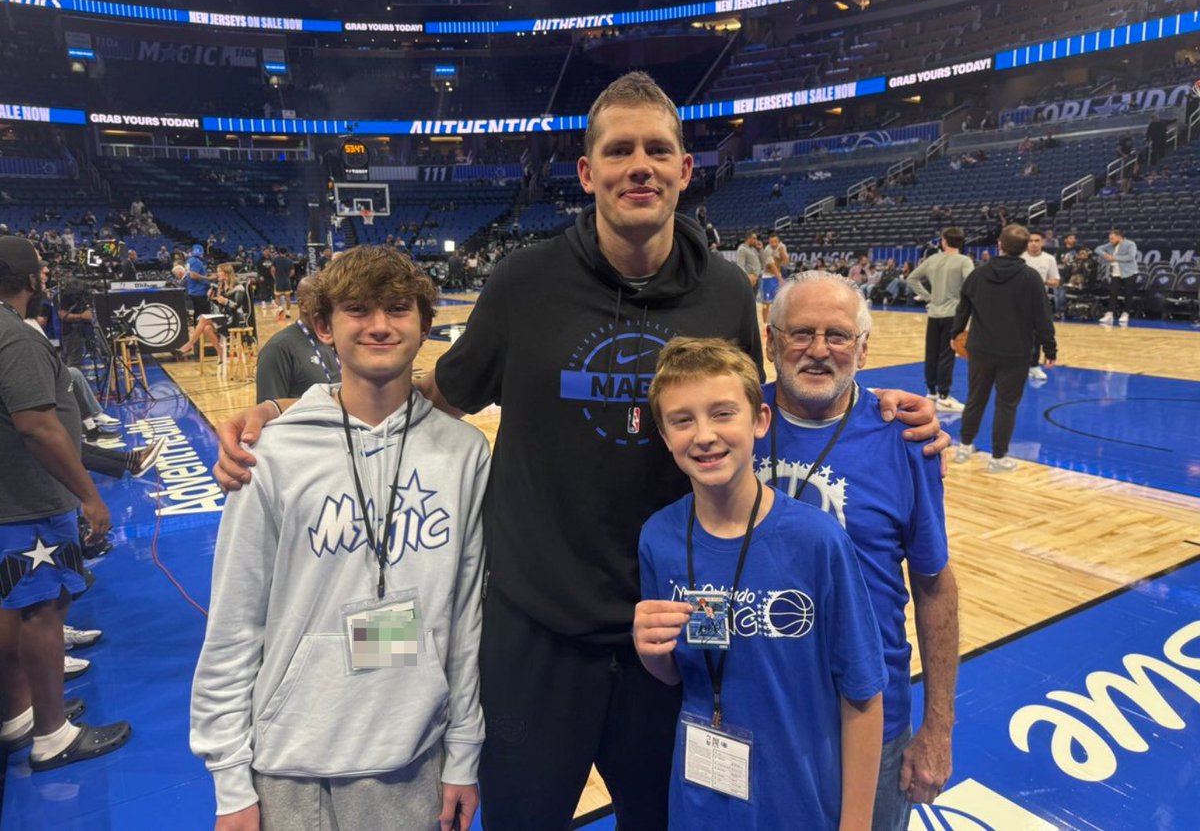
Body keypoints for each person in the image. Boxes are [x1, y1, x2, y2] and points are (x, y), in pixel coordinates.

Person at [214, 72, 945, 830]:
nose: (641, 166)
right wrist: (295, 407)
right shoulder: (524, 280)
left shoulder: (726, 290)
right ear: (587, 171)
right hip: (538, 638)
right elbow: (441, 390)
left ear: (685, 172)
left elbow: (750, 411)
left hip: (672, 631)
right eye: (620, 150)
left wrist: (878, 412)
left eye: (659, 150)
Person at [191, 246, 489, 831]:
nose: (379, 325)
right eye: (358, 309)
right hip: (294, 767)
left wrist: (463, 754)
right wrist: (231, 783)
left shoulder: (464, 454)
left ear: (425, 324)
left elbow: (465, 623)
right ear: (324, 327)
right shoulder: (271, 452)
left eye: (398, 309)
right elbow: (234, 619)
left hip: (415, 759)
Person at [634, 336, 885, 828]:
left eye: (723, 413)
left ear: (760, 420)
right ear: (665, 436)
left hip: (799, 802)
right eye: (682, 420)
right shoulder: (658, 538)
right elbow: (677, 673)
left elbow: (863, 695)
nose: (704, 435)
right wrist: (650, 654)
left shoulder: (817, 541)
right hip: (701, 803)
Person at [759, 273, 957, 830]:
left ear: (864, 348)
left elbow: (935, 585)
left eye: (838, 335)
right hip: (753, 709)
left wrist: (938, 728)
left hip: (869, 717)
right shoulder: (729, 423)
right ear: (770, 340)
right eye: (800, 332)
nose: (819, 350)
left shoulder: (907, 438)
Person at [0, 235, 131, 769]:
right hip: (28, 502)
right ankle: (52, 734)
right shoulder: (17, 338)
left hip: (10, 498)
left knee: (14, 606)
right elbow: (37, 425)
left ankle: (18, 714)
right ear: (30, 279)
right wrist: (88, 493)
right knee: (43, 609)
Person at [950, 225, 1057, 472]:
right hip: (1015, 352)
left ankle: (964, 447)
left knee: (975, 398)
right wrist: (1050, 350)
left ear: (999, 244)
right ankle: (998, 458)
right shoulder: (1031, 278)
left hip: (980, 349)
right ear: (1023, 249)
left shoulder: (978, 274)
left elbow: (962, 307)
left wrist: (955, 334)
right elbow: (1043, 318)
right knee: (1006, 405)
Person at [906, 228, 974, 411]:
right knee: (946, 355)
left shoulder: (933, 259)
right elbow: (971, 284)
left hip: (934, 313)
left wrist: (928, 297)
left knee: (931, 353)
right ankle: (944, 397)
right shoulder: (964, 261)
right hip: (953, 314)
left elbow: (912, 278)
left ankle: (931, 393)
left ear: (944, 241)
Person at [256, 275, 341, 401]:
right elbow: (270, 411)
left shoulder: (341, 340)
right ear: (303, 305)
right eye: (322, 300)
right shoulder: (278, 349)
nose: (330, 306)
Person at [174, 264, 249, 362]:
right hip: (223, 316)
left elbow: (237, 305)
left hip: (234, 318)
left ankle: (189, 345)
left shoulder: (238, 287)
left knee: (203, 319)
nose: (217, 274)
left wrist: (226, 301)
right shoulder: (220, 286)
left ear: (226, 273)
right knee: (207, 328)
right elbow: (218, 305)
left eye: (219, 271)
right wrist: (212, 297)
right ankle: (221, 352)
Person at [1020, 230, 1061, 377]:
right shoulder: (1020, 258)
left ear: (1042, 242)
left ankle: (1034, 365)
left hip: (1039, 301)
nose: (1033, 243)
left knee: (1037, 335)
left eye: (1037, 240)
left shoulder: (1049, 259)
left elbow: (1056, 281)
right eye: (1030, 241)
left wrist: (1040, 281)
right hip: (1018, 301)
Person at [1095, 229, 1139, 326]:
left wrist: (1115, 258)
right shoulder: (1110, 245)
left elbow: (1131, 257)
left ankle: (1125, 313)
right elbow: (1097, 249)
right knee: (1113, 293)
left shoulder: (1130, 244)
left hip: (1129, 272)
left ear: (1119, 237)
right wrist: (1106, 255)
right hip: (1116, 273)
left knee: (1128, 294)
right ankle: (1109, 314)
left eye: (1112, 238)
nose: (1110, 240)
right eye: (1110, 239)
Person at [184, 244, 211, 324]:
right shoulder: (197, 261)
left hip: (192, 290)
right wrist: (207, 278)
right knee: (203, 315)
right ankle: (202, 332)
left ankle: (198, 330)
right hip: (200, 292)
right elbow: (193, 275)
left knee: (197, 313)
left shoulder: (189, 260)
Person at [271, 248, 295, 320]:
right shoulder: (290, 261)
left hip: (278, 281)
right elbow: (293, 272)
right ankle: (288, 313)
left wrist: (275, 277)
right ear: (286, 252)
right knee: (288, 298)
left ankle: (281, 309)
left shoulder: (275, 259)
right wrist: (287, 277)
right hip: (287, 281)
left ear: (279, 252)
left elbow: (272, 270)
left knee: (277, 297)